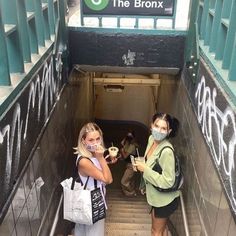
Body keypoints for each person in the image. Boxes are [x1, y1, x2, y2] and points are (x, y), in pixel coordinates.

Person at [134, 112, 180, 236]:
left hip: (164, 200)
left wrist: (145, 170)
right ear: (151, 126)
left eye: (163, 128)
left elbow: (168, 181)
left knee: (156, 232)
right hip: (155, 196)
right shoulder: (151, 140)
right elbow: (150, 161)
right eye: (157, 126)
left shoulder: (167, 151)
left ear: (169, 131)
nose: (159, 130)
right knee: (162, 229)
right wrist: (141, 165)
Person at [73, 122, 113, 236]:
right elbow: (108, 180)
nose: (95, 143)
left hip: (86, 201)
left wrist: (106, 161)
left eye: (98, 138)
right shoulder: (84, 161)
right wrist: (102, 159)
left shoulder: (92, 154)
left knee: (82, 232)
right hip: (92, 203)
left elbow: (97, 172)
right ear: (83, 141)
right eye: (91, 140)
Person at [120, 131, 139, 197]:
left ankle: (132, 192)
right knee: (130, 179)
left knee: (124, 181)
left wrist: (122, 150)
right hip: (129, 164)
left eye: (129, 137)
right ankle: (129, 192)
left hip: (132, 165)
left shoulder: (132, 146)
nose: (128, 138)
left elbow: (125, 155)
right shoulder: (127, 143)